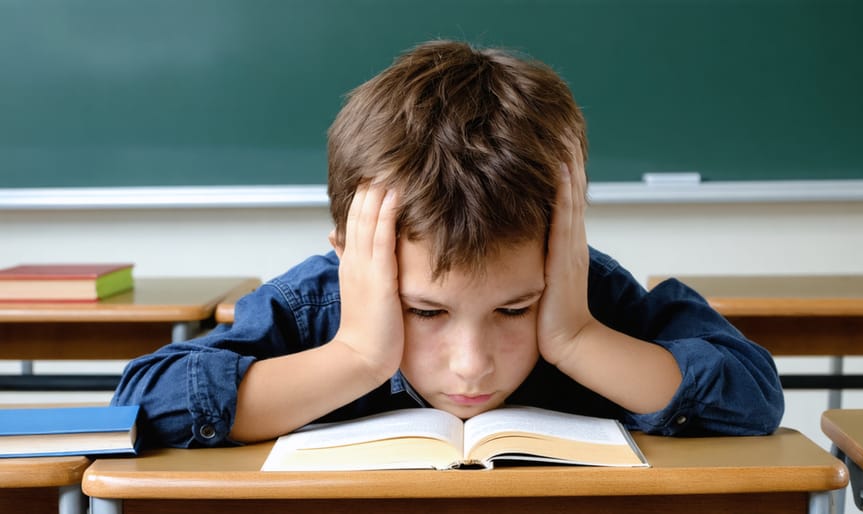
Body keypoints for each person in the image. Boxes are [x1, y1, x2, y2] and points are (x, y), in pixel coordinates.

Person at [112, 40, 784, 448]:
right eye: (426, 312)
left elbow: (752, 397)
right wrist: (354, 356)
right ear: (354, 257)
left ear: (563, 250)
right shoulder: (315, 305)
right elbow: (143, 402)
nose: (471, 367)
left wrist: (575, 335)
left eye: (516, 310)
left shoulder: (589, 295)